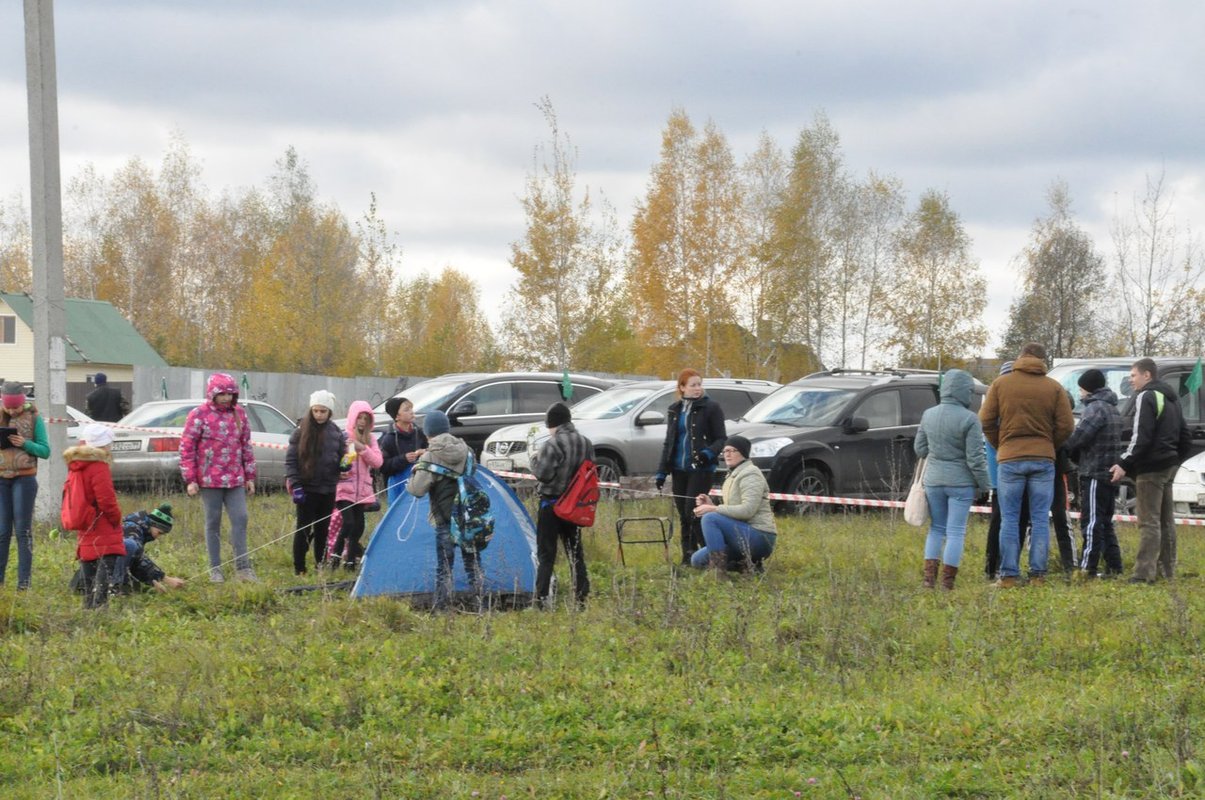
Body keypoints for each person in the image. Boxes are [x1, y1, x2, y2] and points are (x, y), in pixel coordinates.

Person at [979, 342, 1075, 587]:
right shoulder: (1054, 388)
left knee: (1010, 519)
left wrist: (1002, 444)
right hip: (1043, 460)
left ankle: (1009, 576)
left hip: (1010, 459)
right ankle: (1038, 576)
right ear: (1043, 361)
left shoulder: (1000, 384)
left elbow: (986, 420)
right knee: (1041, 518)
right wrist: (1047, 445)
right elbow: (1066, 426)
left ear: (1020, 357)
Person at [1110, 358, 1192, 584]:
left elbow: (1140, 437)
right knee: (1166, 521)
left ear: (1147, 375)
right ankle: (1167, 570)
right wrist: (1175, 460)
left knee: (1148, 522)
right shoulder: (1172, 397)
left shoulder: (1146, 396)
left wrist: (1124, 462)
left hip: (1150, 469)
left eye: (1133, 375)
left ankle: (1143, 574)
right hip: (1169, 466)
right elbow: (1184, 435)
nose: (1131, 380)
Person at [914, 369, 990, 590]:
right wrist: (985, 485)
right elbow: (975, 458)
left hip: (934, 480)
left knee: (936, 528)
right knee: (956, 531)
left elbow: (920, 449)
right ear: (964, 392)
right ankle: (948, 583)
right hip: (961, 483)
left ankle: (929, 580)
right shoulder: (970, 419)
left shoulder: (928, 414)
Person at [180, 373, 258, 583]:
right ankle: (216, 568)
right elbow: (187, 447)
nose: (225, 398)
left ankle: (243, 568)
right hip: (209, 480)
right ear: (212, 394)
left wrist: (250, 476)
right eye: (221, 394)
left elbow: (246, 446)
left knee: (240, 518)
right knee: (213, 522)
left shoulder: (239, 414)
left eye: (229, 394)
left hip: (235, 478)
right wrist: (190, 479)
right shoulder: (198, 415)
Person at [408, 410, 484, 610]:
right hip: (469, 516)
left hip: (445, 517)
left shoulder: (431, 456)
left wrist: (417, 469)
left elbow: (417, 490)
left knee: (444, 567)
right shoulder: (467, 450)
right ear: (447, 429)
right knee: (473, 565)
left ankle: (441, 608)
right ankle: (482, 605)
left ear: (427, 433)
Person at [655, 369, 727, 564]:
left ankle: (709, 552)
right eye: (693, 385)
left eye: (699, 384)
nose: (698, 389)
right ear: (682, 387)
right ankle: (688, 555)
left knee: (693, 511)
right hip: (679, 469)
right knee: (683, 515)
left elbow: (721, 438)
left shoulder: (711, 408)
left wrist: (708, 454)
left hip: (701, 469)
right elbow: (669, 442)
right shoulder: (674, 409)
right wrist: (661, 471)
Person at [530, 402, 594, 608]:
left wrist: (533, 460)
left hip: (551, 504)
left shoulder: (553, 444)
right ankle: (581, 596)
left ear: (552, 423)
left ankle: (540, 598)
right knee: (575, 551)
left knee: (546, 553)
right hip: (575, 506)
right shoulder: (586, 442)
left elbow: (543, 475)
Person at [1064, 369, 1124, 578]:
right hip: (1110, 474)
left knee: (1091, 521)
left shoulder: (1095, 409)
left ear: (1088, 389)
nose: (1080, 394)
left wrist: (1063, 447)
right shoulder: (1113, 408)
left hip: (1095, 472)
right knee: (1106, 522)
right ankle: (1115, 566)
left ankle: (1087, 568)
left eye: (1081, 389)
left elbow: (1079, 438)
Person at [690, 435, 777, 574]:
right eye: (725, 451)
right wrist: (710, 503)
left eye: (732, 450)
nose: (727, 455)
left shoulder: (751, 474)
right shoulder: (733, 475)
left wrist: (713, 509)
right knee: (697, 560)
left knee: (709, 518)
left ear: (743, 453)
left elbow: (747, 511)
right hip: (742, 533)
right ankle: (749, 566)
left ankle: (718, 571)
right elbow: (731, 512)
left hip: (760, 536)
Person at [285, 390, 348, 576]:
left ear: (330, 412)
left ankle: (320, 564)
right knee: (303, 529)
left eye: (323, 411)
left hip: (328, 488)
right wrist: (296, 485)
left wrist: (343, 466)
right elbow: (291, 461)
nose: (319, 415)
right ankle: (300, 567)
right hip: (306, 489)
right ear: (311, 410)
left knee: (323, 529)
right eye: (316, 411)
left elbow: (340, 456)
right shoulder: (300, 432)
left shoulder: (336, 432)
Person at [64, 423, 124, 609]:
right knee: (107, 559)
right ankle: (100, 604)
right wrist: (116, 518)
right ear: (104, 445)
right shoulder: (98, 466)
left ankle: (89, 602)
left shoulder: (76, 465)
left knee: (88, 559)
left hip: (85, 520)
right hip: (101, 520)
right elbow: (106, 499)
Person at [0, 381, 51, 590]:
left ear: (23, 403)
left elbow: (45, 451)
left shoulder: (34, 418)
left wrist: (26, 444)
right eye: (8, 407)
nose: (12, 411)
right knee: (2, 532)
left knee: (23, 531)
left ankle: (24, 584)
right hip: (1, 479)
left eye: (15, 407)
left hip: (25, 479)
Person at [332, 400, 383, 570]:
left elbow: (377, 462)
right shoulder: (343, 437)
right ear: (352, 418)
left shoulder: (371, 439)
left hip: (362, 492)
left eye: (365, 418)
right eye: (359, 417)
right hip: (344, 488)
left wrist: (362, 448)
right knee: (348, 522)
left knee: (358, 527)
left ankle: (350, 561)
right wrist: (340, 468)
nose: (362, 421)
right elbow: (333, 461)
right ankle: (335, 555)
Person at [378, 396, 427, 505]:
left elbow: (431, 451)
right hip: (398, 486)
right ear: (397, 416)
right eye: (406, 409)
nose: (411, 412)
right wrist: (403, 459)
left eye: (411, 408)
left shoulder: (419, 433)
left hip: (419, 482)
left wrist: (424, 452)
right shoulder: (389, 439)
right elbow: (384, 466)